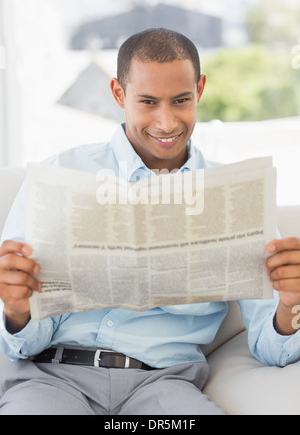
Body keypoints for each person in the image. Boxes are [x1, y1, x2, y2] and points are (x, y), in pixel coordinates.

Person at [0, 28, 300, 415]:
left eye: (181, 101)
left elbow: (273, 349)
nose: (166, 122)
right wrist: (16, 308)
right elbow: (20, 343)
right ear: (119, 94)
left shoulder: (236, 194)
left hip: (164, 386)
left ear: (200, 89)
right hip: (54, 379)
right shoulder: (59, 174)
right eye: (148, 102)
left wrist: (290, 305)